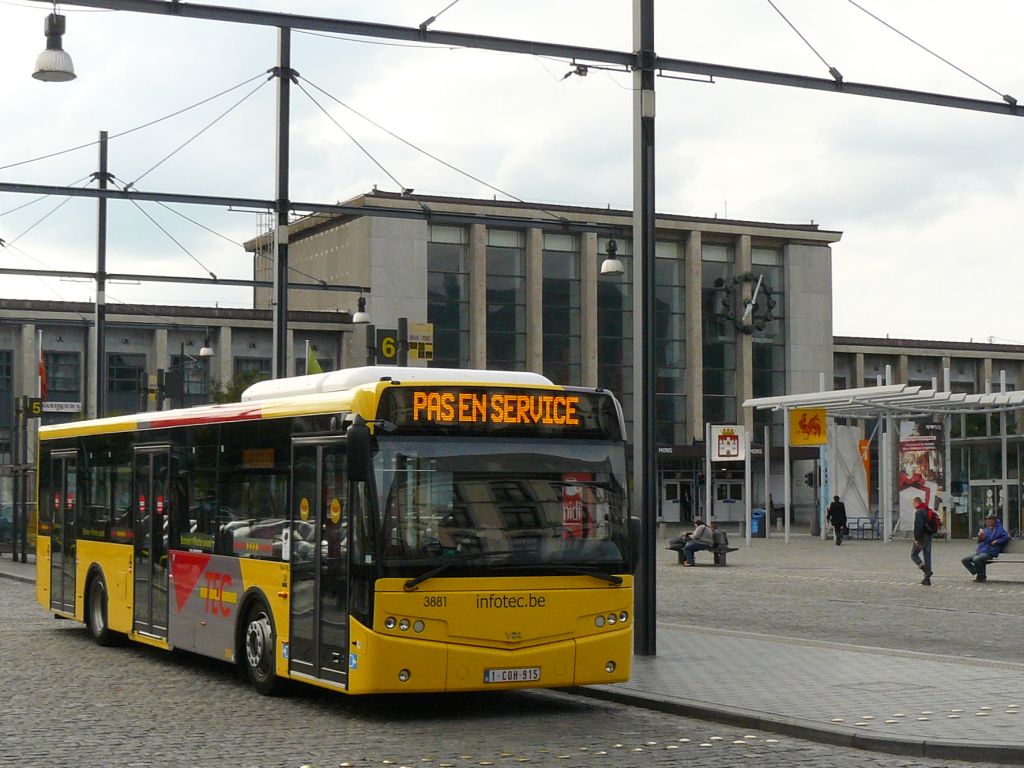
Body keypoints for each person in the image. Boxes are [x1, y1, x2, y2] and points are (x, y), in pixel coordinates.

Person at [962, 513, 1010, 583]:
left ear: (994, 521)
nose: (988, 521)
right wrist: (980, 537)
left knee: (976, 559)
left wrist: (997, 541)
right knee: (965, 560)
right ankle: (978, 573)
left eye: (990, 520)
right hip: (981, 551)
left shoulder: (999, 530)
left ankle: (980, 576)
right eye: (987, 520)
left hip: (990, 552)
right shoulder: (986, 530)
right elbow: (979, 542)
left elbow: (1007, 537)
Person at [910, 496, 934, 586]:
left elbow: (918, 526)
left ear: (917, 502)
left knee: (913, 554)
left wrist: (916, 538)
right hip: (929, 536)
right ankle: (927, 579)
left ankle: (926, 570)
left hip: (922, 537)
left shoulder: (919, 512)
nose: (912, 505)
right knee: (927, 556)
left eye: (913, 503)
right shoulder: (927, 510)